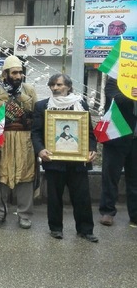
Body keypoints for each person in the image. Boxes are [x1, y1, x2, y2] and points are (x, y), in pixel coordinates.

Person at [31, 74, 98, 242]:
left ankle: (85, 230)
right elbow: (36, 132)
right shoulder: (42, 106)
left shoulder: (80, 104)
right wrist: (40, 150)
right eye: (52, 85)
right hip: (53, 160)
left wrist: (92, 149)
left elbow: (89, 132)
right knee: (54, 197)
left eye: (59, 85)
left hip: (78, 161)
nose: (55, 88)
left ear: (68, 86)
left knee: (82, 196)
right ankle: (55, 228)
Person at [0, 55, 38, 229]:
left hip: (24, 140)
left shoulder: (29, 91)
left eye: (20, 73)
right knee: (1, 175)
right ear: (5, 74)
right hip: (2, 139)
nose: (18, 76)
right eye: (14, 73)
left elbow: (37, 115)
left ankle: (24, 215)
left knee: (25, 176)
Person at [98, 77, 137, 227]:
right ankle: (107, 212)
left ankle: (134, 214)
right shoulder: (116, 79)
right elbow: (115, 98)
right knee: (110, 176)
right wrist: (131, 94)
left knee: (134, 179)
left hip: (135, 139)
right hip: (117, 135)